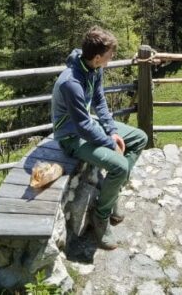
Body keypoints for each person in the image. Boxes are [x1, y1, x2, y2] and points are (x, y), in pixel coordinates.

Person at [51, 26, 148, 250]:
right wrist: (109, 142)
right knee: (120, 166)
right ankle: (101, 217)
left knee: (139, 138)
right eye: (109, 55)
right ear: (97, 57)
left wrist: (112, 131)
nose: (111, 58)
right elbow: (83, 125)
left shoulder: (94, 69)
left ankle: (110, 195)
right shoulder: (71, 82)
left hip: (87, 127)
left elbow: (99, 101)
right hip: (71, 137)